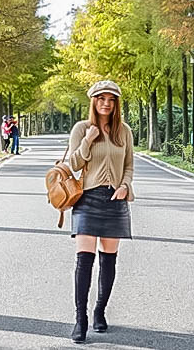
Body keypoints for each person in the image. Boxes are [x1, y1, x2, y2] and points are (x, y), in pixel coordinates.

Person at [65, 79, 134, 344]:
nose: (106, 103)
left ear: (116, 103)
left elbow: (129, 164)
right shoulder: (81, 128)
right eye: (102, 98)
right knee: (84, 260)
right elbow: (73, 163)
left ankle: (99, 310)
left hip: (115, 200)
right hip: (87, 199)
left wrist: (125, 186)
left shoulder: (123, 131)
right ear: (93, 100)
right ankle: (80, 320)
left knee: (108, 260)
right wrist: (88, 140)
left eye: (112, 99)